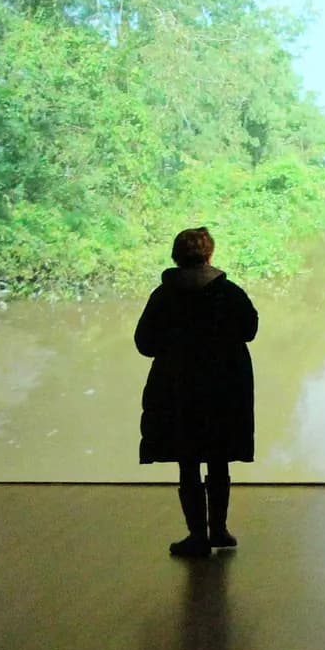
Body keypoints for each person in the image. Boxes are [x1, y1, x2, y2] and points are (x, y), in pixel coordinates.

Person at [135, 227, 259, 558]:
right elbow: (250, 330)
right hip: (223, 390)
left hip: (177, 391)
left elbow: (144, 343)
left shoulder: (163, 296)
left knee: (187, 463)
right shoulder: (230, 293)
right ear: (209, 254)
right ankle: (219, 530)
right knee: (218, 460)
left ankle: (197, 536)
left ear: (176, 256)